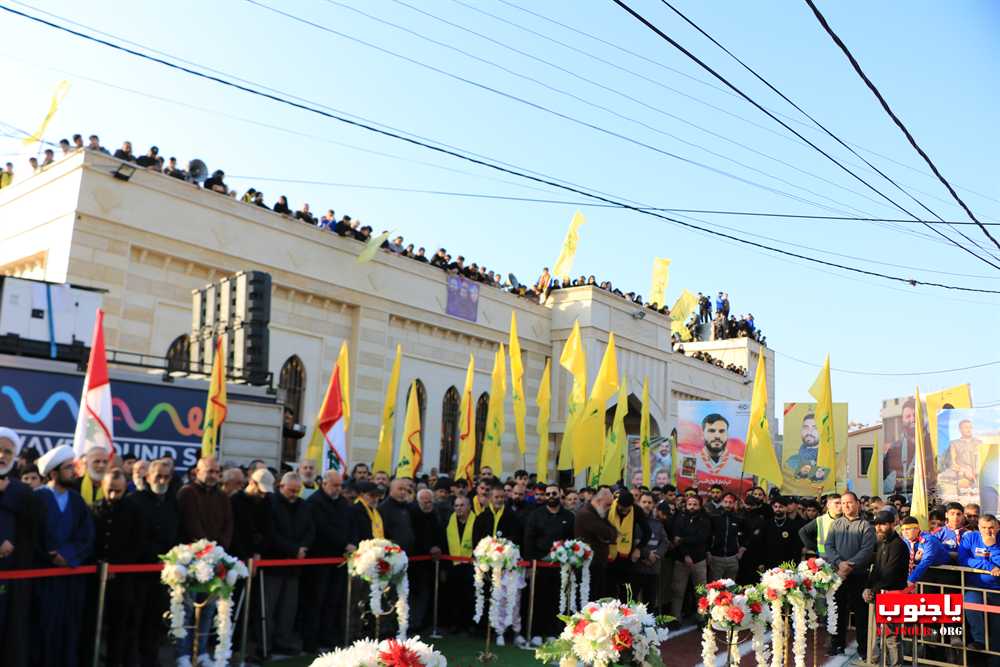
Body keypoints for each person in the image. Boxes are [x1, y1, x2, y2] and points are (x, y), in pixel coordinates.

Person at [33, 445, 94, 667]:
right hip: (44, 579)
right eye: (68, 468)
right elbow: (32, 535)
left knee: (68, 628)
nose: (73, 472)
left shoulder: (77, 501)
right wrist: (51, 555)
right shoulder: (37, 498)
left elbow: (86, 536)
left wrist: (67, 555)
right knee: (42, 627)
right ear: (53, 473)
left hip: (70, 576)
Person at [176, 456, 233, 665]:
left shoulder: (223, 496)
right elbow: (191, 524)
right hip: (191, 561)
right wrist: (206, 550)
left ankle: (200, 653)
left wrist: (219, 551)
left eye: (216, 472)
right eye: (209, 471)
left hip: (215, 562)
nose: (213, 476)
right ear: (197, 472)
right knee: (187, 611)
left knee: (208, 610)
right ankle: (182, 655)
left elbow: (228, 525)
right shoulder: (187, 493)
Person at [130, 458, 180, 667]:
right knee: (135, 619)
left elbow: (176, 532)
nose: (162, 480)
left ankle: (151, 659)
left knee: (155, 619)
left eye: (166, 477)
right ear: (148, 477)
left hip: (162, 574)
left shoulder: (173, 502)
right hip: (138, 572)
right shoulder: (135, 500)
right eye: (158, 476)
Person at [92, 468, 144, 667]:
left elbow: (137, 543)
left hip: (123, 580)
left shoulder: (133, 511)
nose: (113, 495)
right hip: (95, 577)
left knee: (119, 628)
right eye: (109, 490)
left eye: (118, 491)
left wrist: (118, 566)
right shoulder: (94, 508)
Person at [0, 428, 40, 667]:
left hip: (13, 583)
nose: (2, 456)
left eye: (7, 451)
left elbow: (31, 534)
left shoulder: (22, 492)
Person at [301, 471, 353, 653]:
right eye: (335, 485)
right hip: (319, 559)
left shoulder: (342, 503)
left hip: (339, 560)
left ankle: (328, 637)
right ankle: (311, 641)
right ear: (324, 483)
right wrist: (344, 543)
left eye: (340, 486)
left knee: (333, 600)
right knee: (316, 601)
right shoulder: (314, 502)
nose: (338, 489)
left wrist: (349, 543)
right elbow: (321, 528)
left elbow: (347, 524)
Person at [265, 472, 314, 656]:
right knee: (269, 607)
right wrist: (293, 549)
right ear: (281, 487)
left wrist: (303, 547)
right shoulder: (271, 503)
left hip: (294, 566)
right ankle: (266, 643)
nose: (294, 494)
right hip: (274, 564)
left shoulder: (303, 505)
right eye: (290, 490)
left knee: (288, 608)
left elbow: (310, 529)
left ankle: (283, 641)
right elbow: (271, 532)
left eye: (297, 490)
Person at [824, 492, 876, 658]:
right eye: (843, 503)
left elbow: (867, 551)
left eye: (849, 502)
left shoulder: (866, 526)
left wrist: (849, 565)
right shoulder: (836, 524)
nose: (846, 506)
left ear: (858, 504)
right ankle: (837, 644)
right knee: (837, 610)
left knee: (861, 614)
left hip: (858, 575)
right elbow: (829, 546)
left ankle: (863, 649)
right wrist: (840, 563)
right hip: (838, 575)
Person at [522, 484, 575, 644]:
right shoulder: (536, 515)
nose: (551, 496)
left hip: (560, 567)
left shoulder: (569, 516)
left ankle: (552, 632)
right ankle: (536, 633)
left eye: (554, 493)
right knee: (538, 599)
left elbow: (572, 541)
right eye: (548, 494)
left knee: (556, 599)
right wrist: (531, 564)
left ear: (560, 494)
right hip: (539, 566)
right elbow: (528, 540)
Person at [863, 511, 908, 667]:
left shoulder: (899, 545)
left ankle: (896, 665)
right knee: (876, 633)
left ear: (892, 524)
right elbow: (876, 569)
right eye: (877, 524)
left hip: (893, 595)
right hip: (880, 594)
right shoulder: (882, 543)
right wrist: (868, 587)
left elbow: (890, 572)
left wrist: (872, 590)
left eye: (883, 524)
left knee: (892, 636)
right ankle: (875, 662)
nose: (879, 528)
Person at [958, 515, 1000, 659]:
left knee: (996, 632)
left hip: (997, 591)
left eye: (991, 528)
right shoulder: (970, 538)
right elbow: (963, 560)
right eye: (984, 528)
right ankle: (979, 641)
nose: (988, 531)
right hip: (975, 587)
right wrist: (988, 565)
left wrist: (993, 545)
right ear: (978, 527)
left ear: (997, 527)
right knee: (970, 603)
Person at [669, 494, 711, 624]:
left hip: (699, 560)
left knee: (701, 592)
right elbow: (676, 539)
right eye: (689, 504)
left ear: (699, 505)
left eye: (695, 504)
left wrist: (683, 539)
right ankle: (675, 618)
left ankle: (702, 617)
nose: (692, 507)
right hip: (681, 560)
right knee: (677, 591)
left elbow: (701, 538)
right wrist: (685, 554)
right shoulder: (679, 519)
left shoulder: (705, 520)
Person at [575, 487, 618, 601]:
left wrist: (610, 535)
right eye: (608, 504)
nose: (609, 508)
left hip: (597, 563)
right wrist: (610, 535)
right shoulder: (586, 514)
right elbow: (607, 533)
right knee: (590, 599)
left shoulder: (598, 513)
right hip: (589, 565)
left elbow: (614, 532)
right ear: (599, 501)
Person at [607, 491, 649, 602]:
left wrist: (638, 548)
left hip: (626, 557)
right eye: (622, 509)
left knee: (626, 591)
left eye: (627, 509)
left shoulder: (636, 510)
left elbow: (647, 532)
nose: (625, 512)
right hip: (608, 556)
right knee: (608, 589)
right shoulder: (608, 508)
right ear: (618, 504)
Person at [442, 495, 476, 632]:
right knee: (454, 595)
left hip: (471, 564)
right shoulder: (449, 521)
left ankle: (469, 624)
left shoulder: (477, 520)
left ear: (469, 507)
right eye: (456, 505)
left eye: (462, 505)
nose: (459, 508)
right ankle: (454, 624)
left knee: (469, 596)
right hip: (453, 564)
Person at [694, 414, 743, 490]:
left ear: (727, 435)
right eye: (712, 431)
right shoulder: (691, 462)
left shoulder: (739, 465)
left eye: (722, 431)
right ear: (702, 434)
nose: (717, 436)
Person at [898, 516, 949, 587]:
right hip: (925, 572)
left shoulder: (928, 540)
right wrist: (915, 559)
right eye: (902, 530)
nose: (905, 532)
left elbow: (926, 560)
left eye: (907, 529)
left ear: (917, 529)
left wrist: (911, 580)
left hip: (944, 573)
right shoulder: (906, 541)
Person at [783, 413, 830, 483]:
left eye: (815, 428)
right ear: (801, 431)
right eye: (806, 427)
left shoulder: (832, 458)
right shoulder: (791, 462)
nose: (809, 432)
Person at [708, 492, 745, 581]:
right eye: (725, 502)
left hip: (733, 558)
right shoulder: (713, 516)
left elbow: (746, 535)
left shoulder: (739, 518)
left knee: (731, 588)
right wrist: (708, 552)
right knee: (714, 588)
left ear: (734, 503)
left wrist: (742, 549)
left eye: (730, 502)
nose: (728, 504)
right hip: (716, 557)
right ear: (721, 502)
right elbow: (707, 535)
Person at [937, 419, 980, 494]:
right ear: (960, 429)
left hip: (977, 473)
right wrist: (964, 470)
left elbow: (982, 459)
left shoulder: (978, 442)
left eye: (970, 427)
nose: (969, 429)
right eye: (966, 427)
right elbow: (952, 463)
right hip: (961, 472)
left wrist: (976, 471)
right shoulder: (954, 443)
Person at [472, 480, 522, 546]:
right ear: (490, 498)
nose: (500, 500)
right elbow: (476, 539)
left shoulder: (512, 516)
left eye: (502, 497)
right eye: (496, 497)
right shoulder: (482, 517)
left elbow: (516, 537)